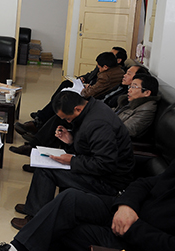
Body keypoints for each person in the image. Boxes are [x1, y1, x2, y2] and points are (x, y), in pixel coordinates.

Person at [0, 160, 175, 251]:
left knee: (61, 230)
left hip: (140, 239)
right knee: (71, 199)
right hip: (130, 212)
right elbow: (145, 183)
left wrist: (133, 227)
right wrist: (127, 206)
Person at [11, 91, 134, 230]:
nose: (68, 121)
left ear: (77, 109)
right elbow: (91, 146)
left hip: (109, 182)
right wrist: (71, 140)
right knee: (46, 164)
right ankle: (33, 207)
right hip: (98, 172)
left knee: (46, 170)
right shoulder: (92, 108)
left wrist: (72, 161)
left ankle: (36, 220)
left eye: (68, 118)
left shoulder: (98, 124)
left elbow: (105, 164)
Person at [11, 65, 150, 156]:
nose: (124, 75)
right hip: (97, 115)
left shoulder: (144, 109)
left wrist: (96, 114)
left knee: (65, 114)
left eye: (133, 84)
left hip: (101, 129)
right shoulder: (124, 94)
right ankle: (37, 146)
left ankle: (36, 143)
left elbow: (122, 128)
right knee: (62, 109)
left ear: (146, 91)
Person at [17, 51, 124, 135]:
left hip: (89, 97)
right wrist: (83, 79)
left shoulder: (106, 75)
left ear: (106, 67)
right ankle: (41, 117)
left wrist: (87, 88)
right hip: (89, 89)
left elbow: (90, 93)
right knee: (65, 85)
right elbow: (91, 76)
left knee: (63, 98)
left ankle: (39, 121)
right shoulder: (112, 69)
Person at [113, 73, 160, 140]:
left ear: (146, 93)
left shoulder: (146, 109)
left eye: (134, 87)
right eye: (130, 86)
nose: (129, 90)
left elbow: (125, 130)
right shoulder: (131, 102)